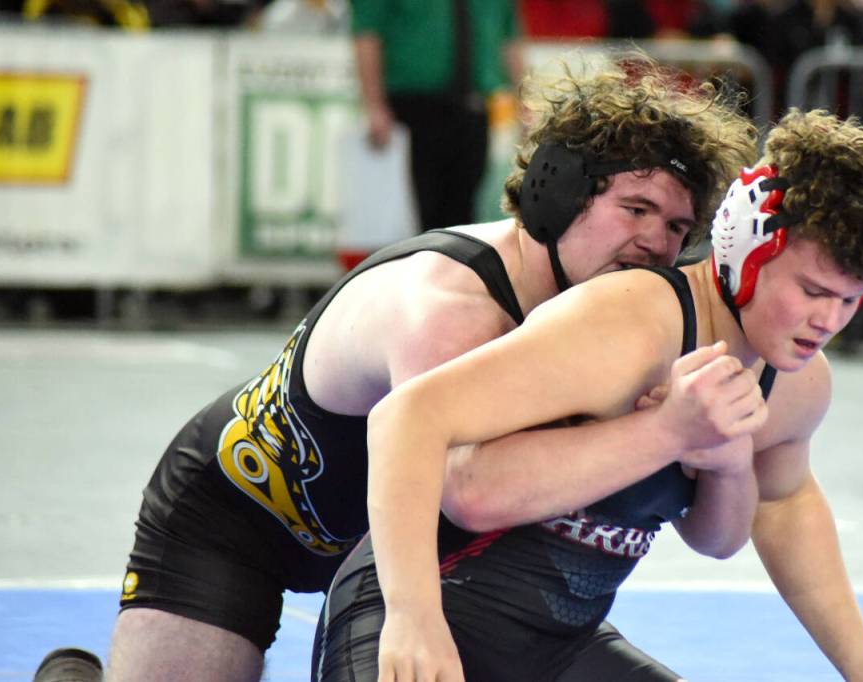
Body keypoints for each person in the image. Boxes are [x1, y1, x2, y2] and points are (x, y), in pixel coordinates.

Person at [105, 53, 761, 681]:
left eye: (678, 227)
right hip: (239, 522)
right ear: (557, 195)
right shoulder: (451, 311)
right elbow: (465, 489)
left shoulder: (621, 321)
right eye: (636, 209)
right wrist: (659, 432)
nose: (656, 243)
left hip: (398, 547)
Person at [313, 107, 863, 682]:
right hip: (432, 613)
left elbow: (759, 518)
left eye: (849, 300)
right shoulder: (631, 322)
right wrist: (413, 617)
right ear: (749, 252)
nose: (828, 320)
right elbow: (408, 418)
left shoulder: (796, 383)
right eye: (814, 290)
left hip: (559, 646)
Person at [352, 0, 523, 232]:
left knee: (464, 213)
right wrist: (374, 105)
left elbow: (509, 37)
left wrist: (524, 102)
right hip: (413, 105)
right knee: (418, 211)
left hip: (474, 106)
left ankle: (455, 265)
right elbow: (367, 34)